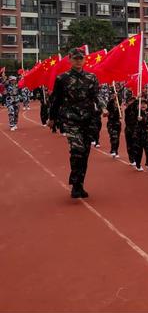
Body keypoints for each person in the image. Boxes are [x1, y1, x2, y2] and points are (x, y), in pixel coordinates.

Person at [48, 48, 107, 199]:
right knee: (77, 150)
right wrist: (52, 118)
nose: (78, 61)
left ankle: (80, 184)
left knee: (85, 152)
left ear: (85, 59)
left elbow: (96, 96)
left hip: (88, 119)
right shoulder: (62, 78)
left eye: (81, 58)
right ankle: (75, 184)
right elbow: (56, 100)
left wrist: (103, 107)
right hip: (70, 118)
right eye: (75, 58)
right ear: (70, 59)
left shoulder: (91, 77)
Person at [106, 87, 122, 158]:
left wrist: (121, 114)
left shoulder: (119, 105)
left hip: (117, 123)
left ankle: (116, 151)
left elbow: (119, 101)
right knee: (113, 136)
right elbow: (108, 106)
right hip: (111, 123)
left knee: (117, 138)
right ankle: (113, 150)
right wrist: (113, 99)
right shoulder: (110, 104)